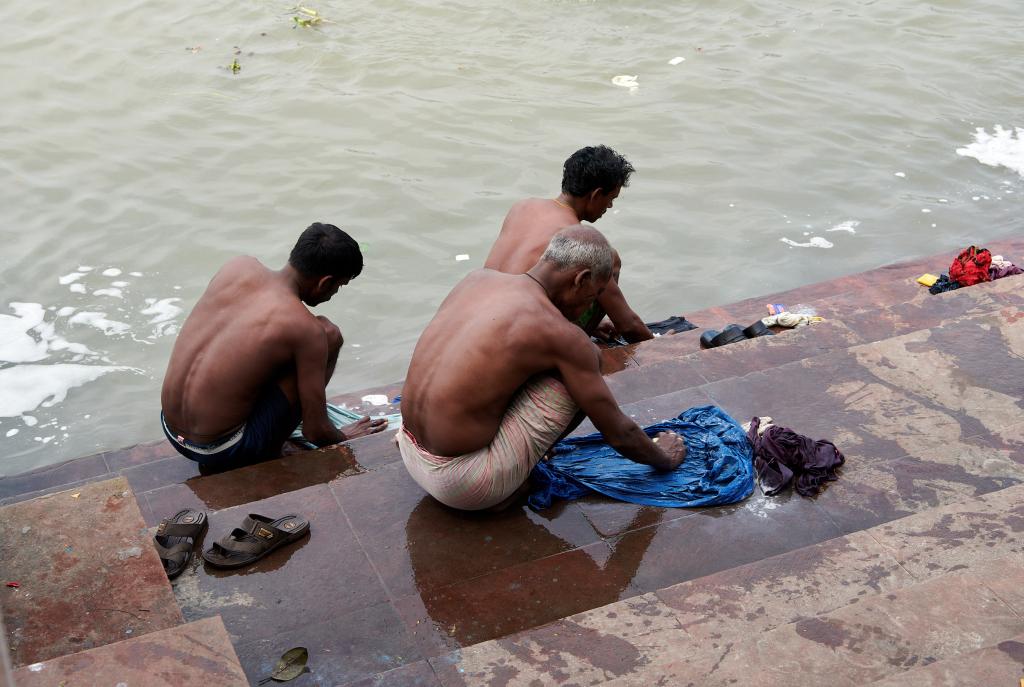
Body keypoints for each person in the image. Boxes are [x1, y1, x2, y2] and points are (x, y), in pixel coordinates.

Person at [400, 225, 686, 511]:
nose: (590, 305)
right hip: (460, 484)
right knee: (583, 370)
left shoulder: (477, 280)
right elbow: (619, 434)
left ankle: (509, 465)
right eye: (594, 295)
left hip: (408, 448)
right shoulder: (560, 335)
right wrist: (664, 457)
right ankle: (509, 487)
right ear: (582, 279)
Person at [160, 222, 386, 469]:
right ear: (325, 283)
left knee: (278, 347)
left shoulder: (238, 267)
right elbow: (316, 432)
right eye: (339, 286)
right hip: (221, 451)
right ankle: (269, 446)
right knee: (329, 334)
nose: (334, 293)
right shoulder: (305, 329)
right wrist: (344, 438)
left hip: (171, 431)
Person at [484, 145, 654, 342]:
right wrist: (661, 345)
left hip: (483, 319)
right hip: (518, 338)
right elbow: (628, 325)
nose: (610, 206)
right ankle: (576, 338)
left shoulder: (523, 207)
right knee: (610, 260)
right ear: (596, 194)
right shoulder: (575, 241)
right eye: (610, 199)